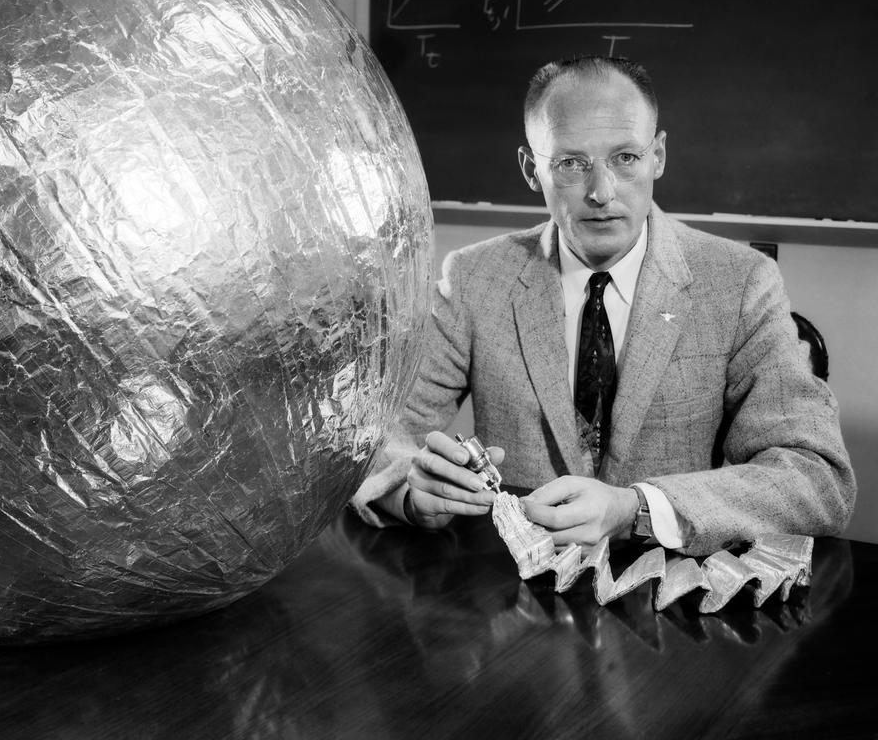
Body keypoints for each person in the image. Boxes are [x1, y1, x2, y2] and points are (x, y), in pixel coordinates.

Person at [351, 56, 855, 556]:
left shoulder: (739, 282)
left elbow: (816, 478)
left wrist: (637, 508)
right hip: (512, 598)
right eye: (571, 163)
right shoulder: (475, 277)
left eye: (625, 158)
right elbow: (371, 442)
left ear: (657, 155)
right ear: (531, 169)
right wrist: (411, 492)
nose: (601, 191)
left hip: (669, 604)